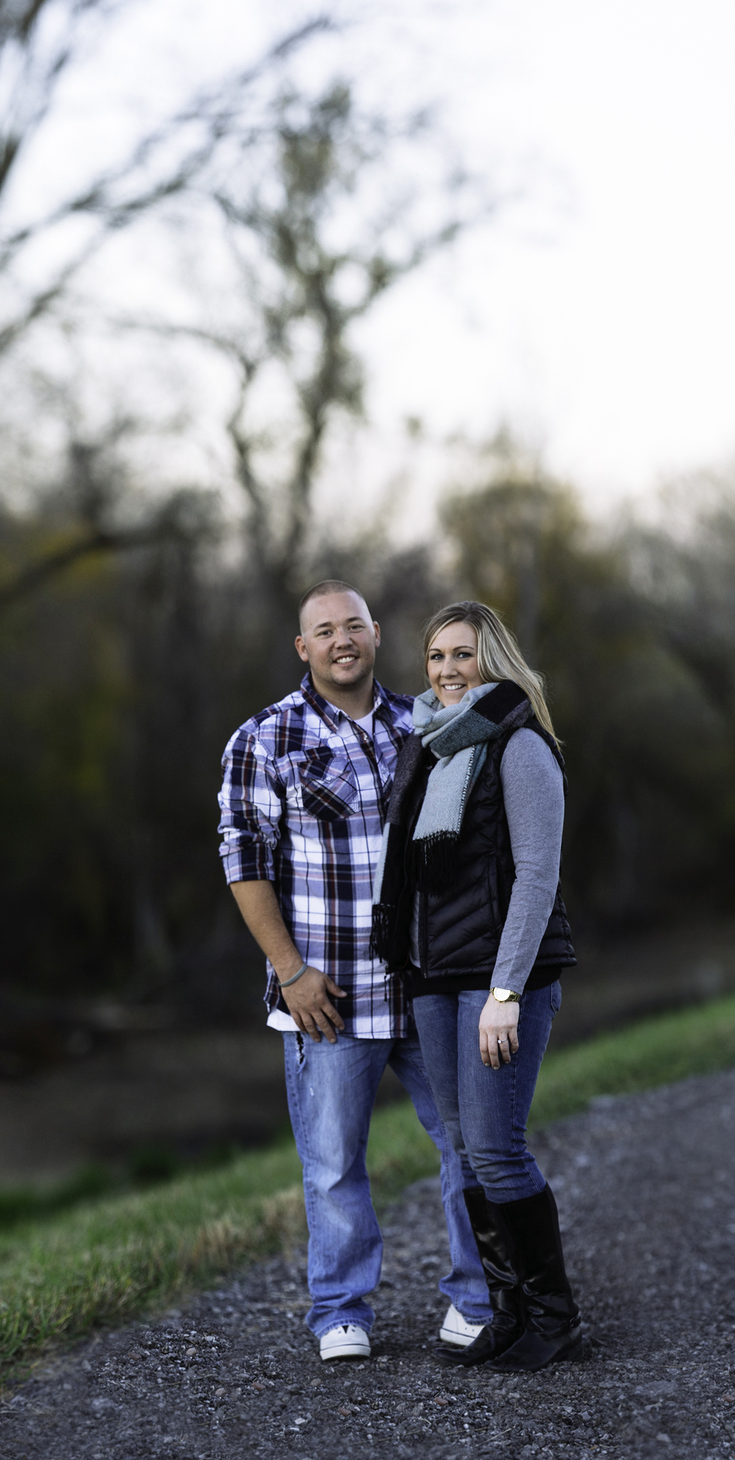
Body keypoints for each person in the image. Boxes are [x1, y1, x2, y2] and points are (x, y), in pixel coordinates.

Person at [218, 581, 491, 1363]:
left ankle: (477, 1297)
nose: (343, 639)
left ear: (377, 636)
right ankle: (342, 1309)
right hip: (326, 997)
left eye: (355, 625)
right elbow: (245, 864)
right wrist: (291, 971)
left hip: (430, 987)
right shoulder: (265, 738)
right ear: (303, 649)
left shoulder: (427, 723)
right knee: (334, 1162)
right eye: (324, 630)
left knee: (468, 1145)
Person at [375, 599, 586, 1371]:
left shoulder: (520, 745)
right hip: (435, 976)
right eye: (435, 658)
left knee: (497, 1149)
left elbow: (536, 877)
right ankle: (507, 1313)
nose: (447, 670)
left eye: (462, 655)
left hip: (502, 981)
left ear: (492, 659)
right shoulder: (428, 747)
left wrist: (505, 993)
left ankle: (555, 1319)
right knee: (463, 1151)